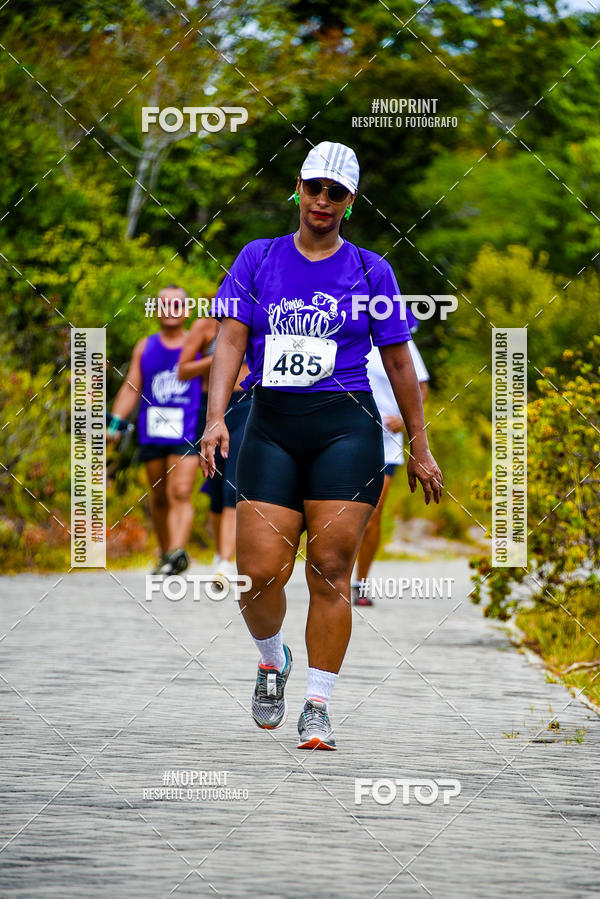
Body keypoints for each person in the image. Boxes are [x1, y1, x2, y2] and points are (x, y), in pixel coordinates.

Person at [201, 141, 443, 750]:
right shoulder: (258, 259)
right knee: (258, 574)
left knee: (330, 571)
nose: (323, 201)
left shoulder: (370, 270)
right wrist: (215, 418)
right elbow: (230, 341)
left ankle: (318, 704)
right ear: (300, 190)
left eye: (336, 193)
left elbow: (399, 364)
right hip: (270, 424)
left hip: (346, 427)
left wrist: (420, 443)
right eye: (315, 188)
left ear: (350, 203)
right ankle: (269, 659)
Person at [109, 286, 214, 576]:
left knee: (179, 492)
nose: (170, 310)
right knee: (158, 495)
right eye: (164, 305)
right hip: (153, 431)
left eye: (177, 305)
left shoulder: (197, 343)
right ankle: (167, 554)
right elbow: (132, 386)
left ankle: (177, 553)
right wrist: (116, 421)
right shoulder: (145, 346)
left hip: (189, 428)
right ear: (156, 310)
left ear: (187, 310)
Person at [352, 338, 430, 606]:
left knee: (372, 513)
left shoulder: (394, 334)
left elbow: (421, 386)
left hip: (385, 444)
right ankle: (332, 577)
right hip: (342, 438)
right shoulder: (343, 326)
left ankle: (360, 583)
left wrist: (402, 418)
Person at [178, 322, 251, 581]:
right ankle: (220, 556)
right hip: (213, 408)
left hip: (248, 403)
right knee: (216, 483)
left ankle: (226, 561)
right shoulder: (205, 327)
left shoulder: (258, 317)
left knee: (234, 482)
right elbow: (183, 371)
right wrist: (219, 359)